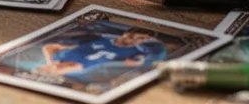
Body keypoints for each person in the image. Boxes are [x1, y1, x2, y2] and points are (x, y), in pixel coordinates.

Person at [37, 27, 167, 77]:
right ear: (127, 33)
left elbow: (135, 63)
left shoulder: (137, 51)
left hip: (83, 64)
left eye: (142, 39)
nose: (136, 40)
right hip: (73, 59)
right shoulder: (100, 37)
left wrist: (53, 64)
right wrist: (51, 61)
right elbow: (49, 47)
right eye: (137, 36)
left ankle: (50, 71)